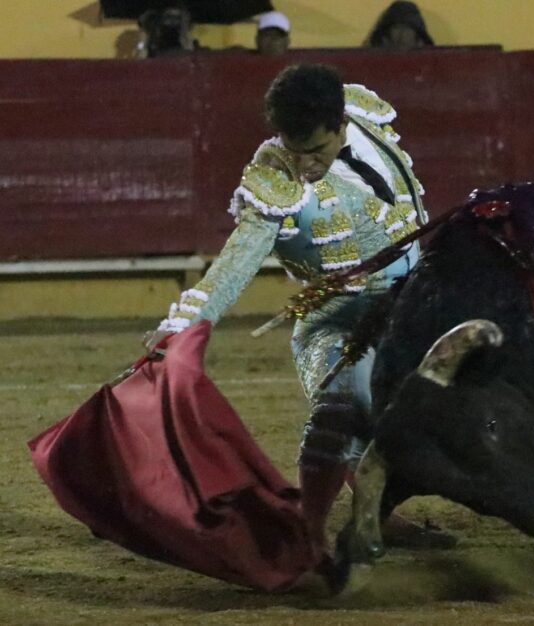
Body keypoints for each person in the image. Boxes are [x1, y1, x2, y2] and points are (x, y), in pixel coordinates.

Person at [144, 64, 441, 563]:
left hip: (413, 310)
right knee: (342, 409)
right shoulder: (275, 180)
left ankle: (374, 512)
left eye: (316, 150)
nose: (304, 165)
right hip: (337, 322)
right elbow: (238, 260)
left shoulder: (365, 115)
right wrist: (185, 323)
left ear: (341, 123)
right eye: (294, 149)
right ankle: (310, 533)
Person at [365, 1, 435, 51]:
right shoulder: (371, 62)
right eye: (397, 28)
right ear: (385, 37)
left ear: (419, 39)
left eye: (407, 29)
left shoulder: (431, 63)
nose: (401, 34)